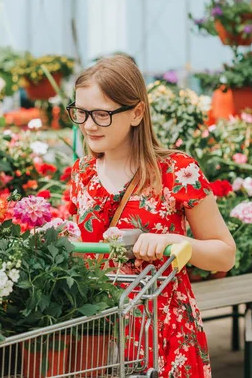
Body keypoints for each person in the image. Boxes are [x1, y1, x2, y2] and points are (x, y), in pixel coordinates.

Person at [66, 55, 236, 378]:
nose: (88, 125)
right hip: (100, 338)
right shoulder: (82, 174)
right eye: (81, 113)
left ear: (137, 112)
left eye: (101, 114)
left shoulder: (176, 172)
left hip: (167, 336)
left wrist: (173, 242)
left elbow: (225, 254)